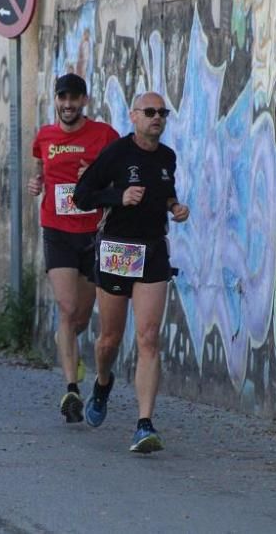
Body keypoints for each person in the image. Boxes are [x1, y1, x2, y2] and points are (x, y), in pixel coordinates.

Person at [73, 91, 189, 453]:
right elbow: (82, 194)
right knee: (109, 339)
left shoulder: (167, 156)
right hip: (118, 249)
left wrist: (175, 206)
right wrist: (118, 197)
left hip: (153, 249)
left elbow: (165, 192)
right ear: (134, 116)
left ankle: (144, 424)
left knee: (149, 337)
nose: (157, 118)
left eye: (162, 113)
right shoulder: (116, 154)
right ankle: (103, 382)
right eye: (150, 112)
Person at [29, 73, 119, 424]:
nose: (67, 105)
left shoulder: (104, 136)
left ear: (85, 101)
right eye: (62, 98)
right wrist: (36, 182)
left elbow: (120, 179)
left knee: (80, 318)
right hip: (57, 230)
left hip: (93, 234)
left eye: (74, 98)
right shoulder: (45, 137)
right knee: (67, 309)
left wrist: (95, 175)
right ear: (56, 101)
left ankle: (71, 352)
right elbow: (40, 168)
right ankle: (71, 388)